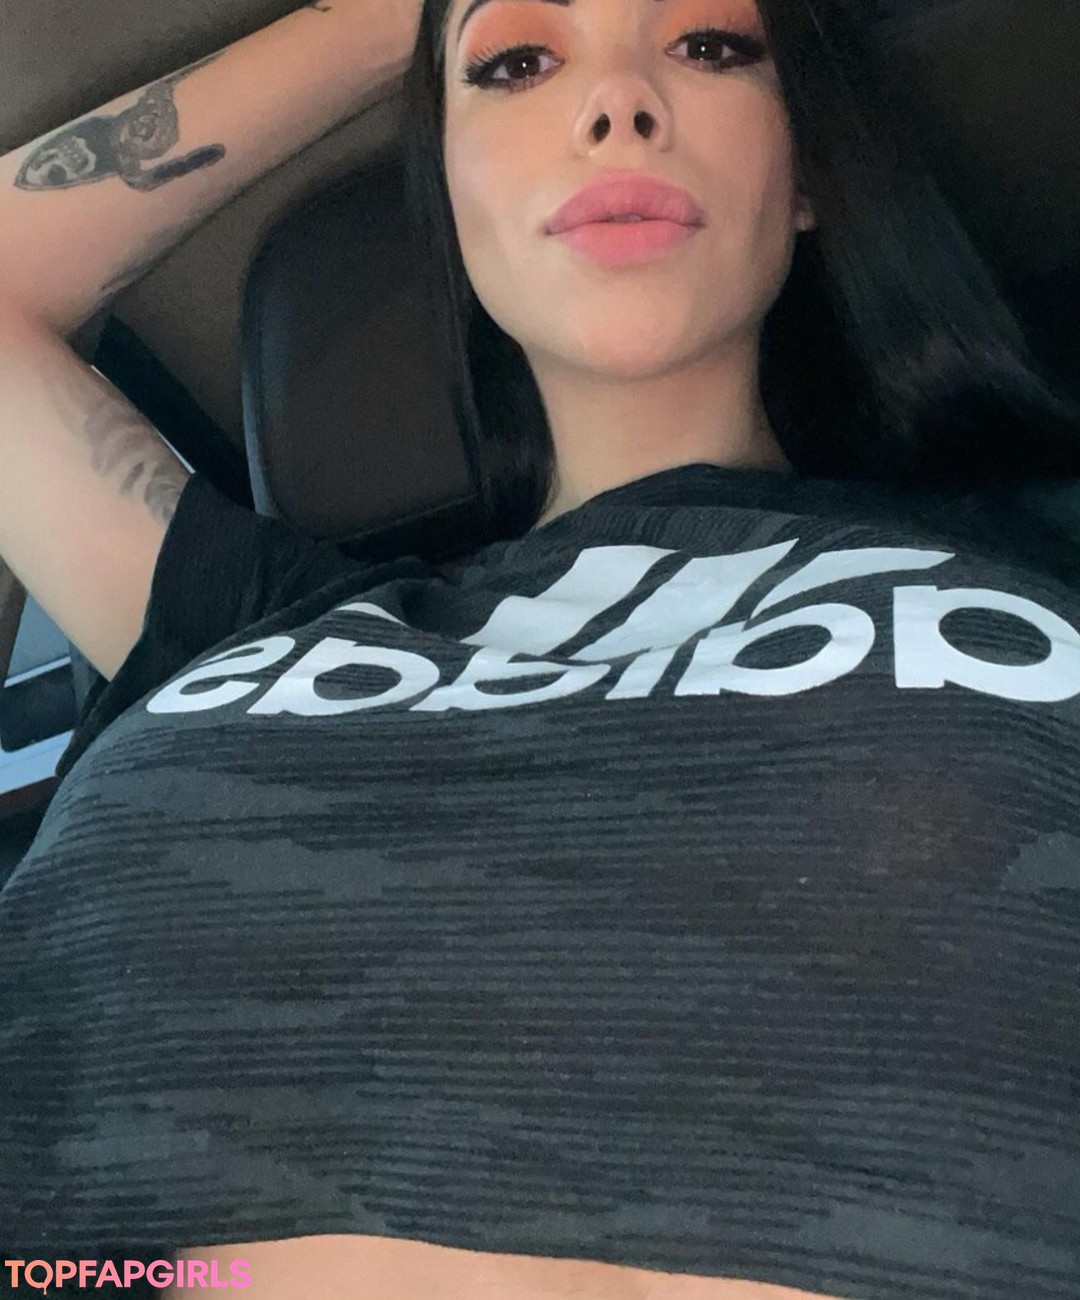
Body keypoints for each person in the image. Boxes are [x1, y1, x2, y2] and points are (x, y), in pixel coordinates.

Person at [0, 0, 1078, 1297]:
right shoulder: (264, 619)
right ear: (452, 202)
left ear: (806, 177)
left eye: (711, 45)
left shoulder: (1043, 552)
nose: (615, 103)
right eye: (517, 62)